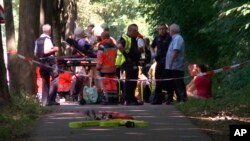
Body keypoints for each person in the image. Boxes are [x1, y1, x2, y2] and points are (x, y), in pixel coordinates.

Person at [34, 24, 59, 106]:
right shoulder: (47, 39)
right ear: (49, 31)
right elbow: (45, 51)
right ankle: (52, 99)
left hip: (41, 62)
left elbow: (35, 53)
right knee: (55, 78)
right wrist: (55, 49)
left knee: (45, 80)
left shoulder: (37, 40)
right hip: (49, 61)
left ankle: (45, 101)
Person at [117, 24, 142, 105]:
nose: (137, 32)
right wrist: (126, 56)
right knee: (130, 82)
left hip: (134, 63)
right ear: (129, 30)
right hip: (128, 63)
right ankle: (129, 100)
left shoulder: (134, 39)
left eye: (137, 30)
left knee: (134, 82)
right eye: (135, 31)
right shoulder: (125, 38)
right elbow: (119, 46)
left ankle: (132, 99)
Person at [165, 23, 187, 104]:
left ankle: (182, 98)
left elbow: (176, 51)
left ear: (173, 31)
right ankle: (179, 99)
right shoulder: (174, 38)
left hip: (176, 65)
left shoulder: (177, 38)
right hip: (174, 66)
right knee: (175, 82)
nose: (168, 32)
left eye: (169, 30)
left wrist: (170, 63)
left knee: (178, 82)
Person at [150, 23, 172, 105]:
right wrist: (153, 53)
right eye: (160, 29)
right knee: (158, 79)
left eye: (163, 29)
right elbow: (151, 46)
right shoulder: (157, 38)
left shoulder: (169, 37)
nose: (162, 30)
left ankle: (170, 98)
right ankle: (157, 99)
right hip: (159, 61)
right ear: (158, 30)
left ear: (166, 29)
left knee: (168, 80)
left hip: (167, 61)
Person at [96, 31, 118, 104]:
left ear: (102, 37)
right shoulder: (114, 46)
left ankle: (107, 99)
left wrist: (98, 67)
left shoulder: (102, 46)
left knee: (106, 83)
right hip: (113, 68)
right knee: (113, 84)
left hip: (104, 69)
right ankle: (114, 99)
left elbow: (100, 57)